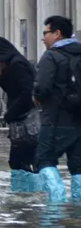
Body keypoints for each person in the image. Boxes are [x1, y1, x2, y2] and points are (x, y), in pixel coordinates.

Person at [33, 15, 81, 203]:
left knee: (44, 160)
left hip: (55, 120)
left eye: (45, 33)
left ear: (57, 34)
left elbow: (42, 87)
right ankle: (77, 210)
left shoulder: (51, 56)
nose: (43, 38)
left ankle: (55, 206)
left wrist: (36, 96)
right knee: (78, 167)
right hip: (79, 122)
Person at [0, 36, 38, 192]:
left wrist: (10, 114)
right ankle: (25, 192)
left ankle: (27, 192)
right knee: (21, 160)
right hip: (20, 121)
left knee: (21, 160)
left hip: (25, 121)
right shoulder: (10, 65)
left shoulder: (16, 64)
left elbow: (26, 92)